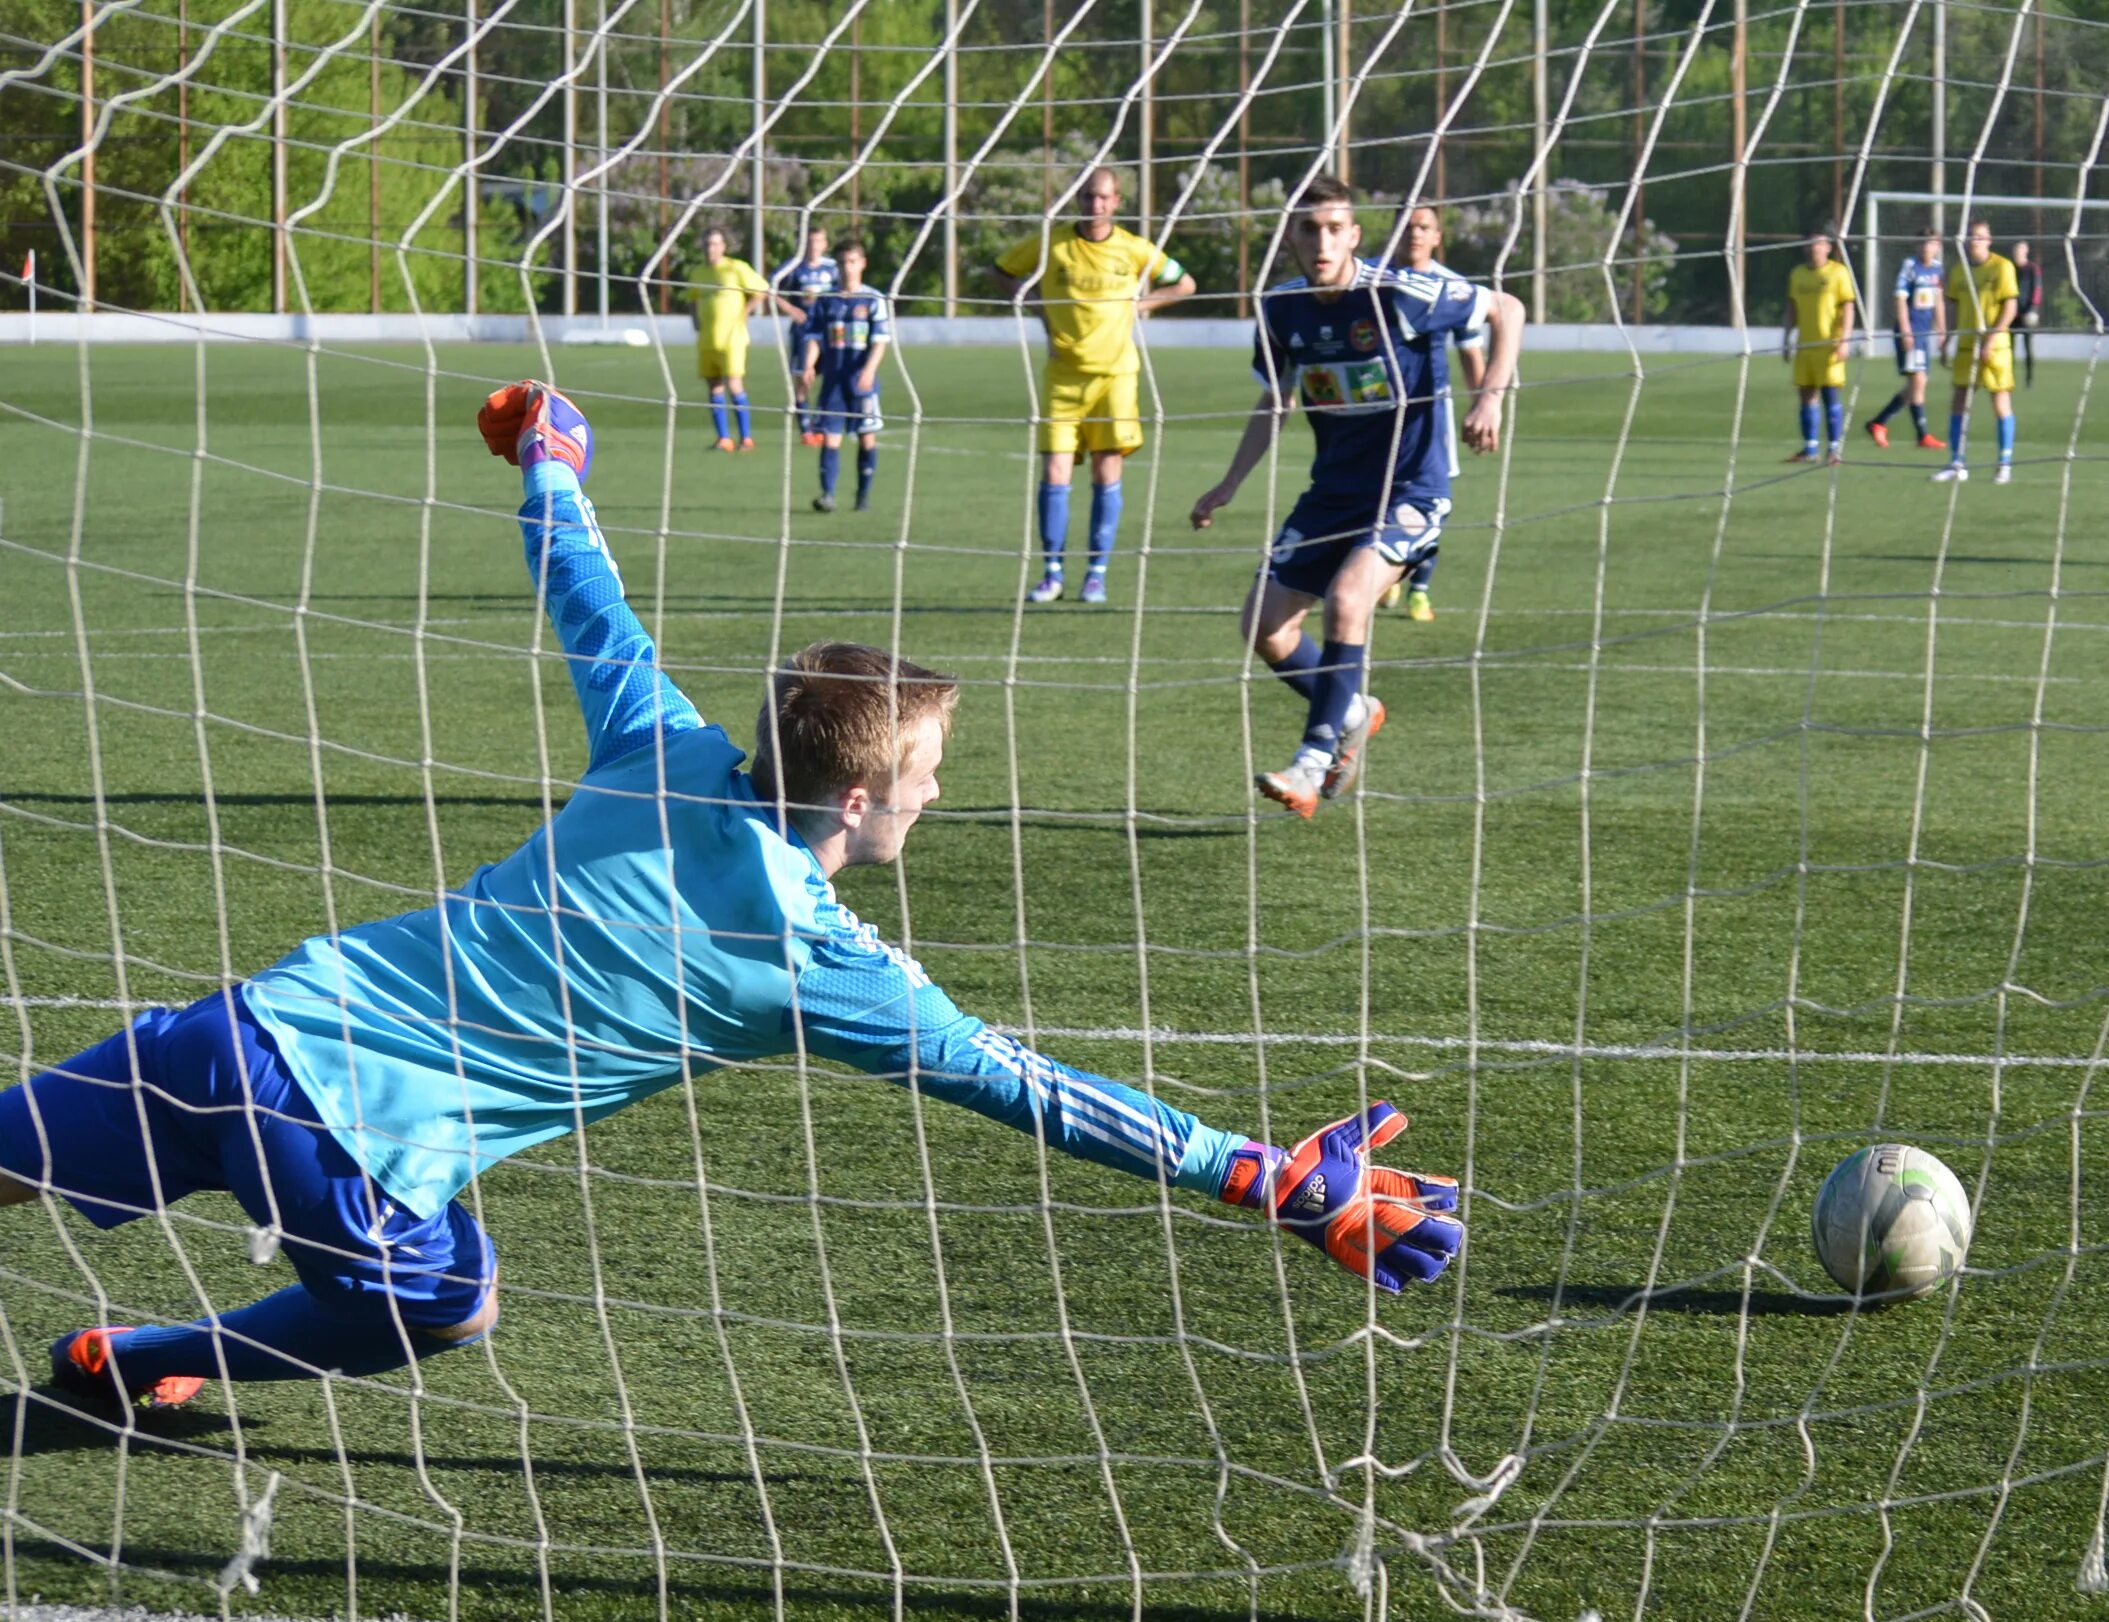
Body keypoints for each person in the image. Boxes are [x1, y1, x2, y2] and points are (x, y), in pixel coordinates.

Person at [9, 385, 1464, 1419]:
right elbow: (1035, 1091)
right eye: (928, 772)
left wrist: (550, 455)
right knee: (455, 1306)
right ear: (855, 800)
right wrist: (1253, 1174)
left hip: (238, 1031)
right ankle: (144, 1360)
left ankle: (135, 1361)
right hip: (350, 1156)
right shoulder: (818, 965)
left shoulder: (661, 747)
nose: (938, 794)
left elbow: (583, 587)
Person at [1190, 178, 1523, 820]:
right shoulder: (1282, 310)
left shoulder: (1400, 294)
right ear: (1290, 237)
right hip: (1331, 494)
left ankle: (1312, 763)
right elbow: (1276, 401)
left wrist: (1490, 396)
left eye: (1334, 229)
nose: (1321, 242)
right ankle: (1352, 709)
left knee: (1348, 600)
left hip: (1411, 491)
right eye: (1308, 229)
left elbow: (1507, 308)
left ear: (1354, 235)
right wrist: (1229, 483)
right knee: (1264, 624)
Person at [995, 166, 1197, 607]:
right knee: (1054, 472)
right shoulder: (1052, 242)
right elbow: (1002, 271)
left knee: (1107, 473)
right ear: (1079, 200)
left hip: (1115, 376)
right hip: (1063, 375)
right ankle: (1051, 573)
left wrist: (1146, 304)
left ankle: (1095, 575)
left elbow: (1184, 281)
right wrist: (1035, 305)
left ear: (1117, 202)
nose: (1095, 205)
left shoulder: (1134, 248)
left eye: (1104, 197)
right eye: (1088, 196)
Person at [1380, 204, 1486, 623]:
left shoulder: (1452, 287)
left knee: (1432, 500)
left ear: (1437, 237)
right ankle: (1389, 568)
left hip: (1431, 414)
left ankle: (1418, 590)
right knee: (1376, 499)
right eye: (1406, 227)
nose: (1415, 234)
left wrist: (1483, 405)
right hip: (1375, 411)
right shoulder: (1373, 280)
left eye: (1423, 227)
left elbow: (1470, 353)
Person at [796, 239, 891, 514]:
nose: (847, 268)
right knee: (830, 437)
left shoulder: (873, 299)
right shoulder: (826, 300)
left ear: (862, 264)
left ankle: (863, 496)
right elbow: (814, 337)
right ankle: (828, 495)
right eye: (842, 263)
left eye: (852, 262)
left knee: (866, 437)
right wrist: (809, 365)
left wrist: (869, 371)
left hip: (861, 381)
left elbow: (880, 341)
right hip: (834, 381)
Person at [1933, 222, 2019, 486]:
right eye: (1971, 237)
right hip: (1967, 345)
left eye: (1979, 237)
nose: (1974, 241)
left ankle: (2004, 463)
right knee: (1959, 401)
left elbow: (2010, 308)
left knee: (2000, 402)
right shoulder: (1959, 272)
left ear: (1989, 239)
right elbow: (1953, 308)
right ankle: (1957, 462)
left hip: (1996, 347)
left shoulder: (2002, 267)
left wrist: (1991, 339)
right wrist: (1947, 339)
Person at [1866, 232, 1949, 451]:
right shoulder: (1910, 266)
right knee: (1918, 381)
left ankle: (1878, 423)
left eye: (1930, 243)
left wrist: (1942, 330)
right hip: (1911, 332)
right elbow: (1900, 298)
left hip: (1924, 334)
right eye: (1922, 243)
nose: (1925, 248)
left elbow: (1938, 301)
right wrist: (1905, 329)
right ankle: (1922, 435)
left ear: (1937, 246)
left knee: (1917, 383)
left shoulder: (1938, 269)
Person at [691, 226, 769, 452]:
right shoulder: (697, 272)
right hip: (707, 339)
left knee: (734, 385)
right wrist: (694, 320)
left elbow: (762, 290)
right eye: (707, 244)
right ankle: (724, 438)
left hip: (732, 339)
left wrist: (746, 311)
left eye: (715, 244)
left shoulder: (735, 268)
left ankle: (746, 438)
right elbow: (692, 297)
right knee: (713, 386)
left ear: (723, 247)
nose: (711, 249)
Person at [1782, 232, 1858, 465]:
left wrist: (1844, 340)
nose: (1814, 248)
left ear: (1827, 248)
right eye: (1811, 244)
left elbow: (1848, 308)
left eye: (1819, 244)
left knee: (1830, 394)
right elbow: (1792, 308)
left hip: (1829, 346)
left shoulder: (1838, 273)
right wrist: (1786, 338)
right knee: (1806, 395)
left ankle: (1834, 449)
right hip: (1805, 345)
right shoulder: (1798, 274)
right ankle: (1810, 448)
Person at [770, 224, 841, 396]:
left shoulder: (833, 267)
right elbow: (768, 288)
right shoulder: (793, 266)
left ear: (825, 244)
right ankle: (805, 420)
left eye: (818, 241)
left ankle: (827, 415)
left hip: (829, 329)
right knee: (803, 377)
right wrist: (790, 309)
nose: (814, 245)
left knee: (836, 373)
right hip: (804, 329)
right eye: (810, 241)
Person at [2010, 239, 2043, 381]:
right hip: (2011, 314)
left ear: (2026, 251)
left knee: (2028, 347)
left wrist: (2033, 309)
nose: (2018, 252)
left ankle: (2029, 378)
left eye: (2020, 250)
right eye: (2016, 250)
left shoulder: (2032, 269)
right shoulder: (2009, 267)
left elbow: (2037, 289)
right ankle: (2009, 375)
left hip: (2027, 314)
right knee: (2008, 348)